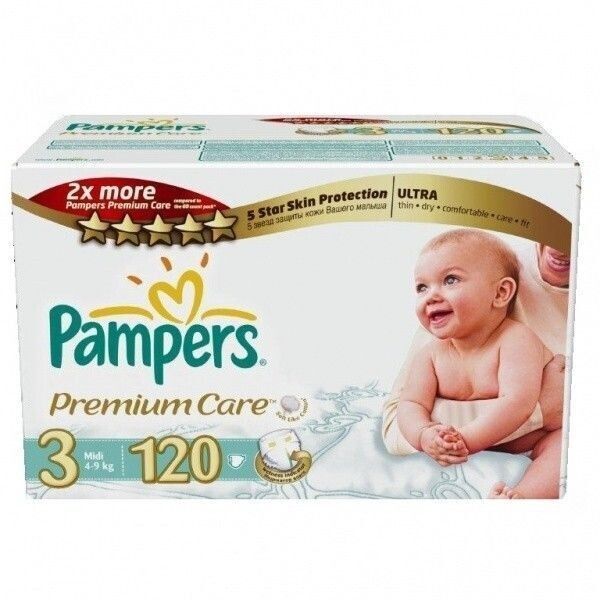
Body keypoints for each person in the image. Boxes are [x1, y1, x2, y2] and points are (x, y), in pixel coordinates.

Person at [383, 230, 571, 499]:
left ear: (501, 293)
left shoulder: (516, 340)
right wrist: (424, 434)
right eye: (422, 287)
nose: (431, 296)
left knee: (565, 444)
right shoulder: (430, 354)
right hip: (476, 442)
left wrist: (466, 440)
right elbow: (410, 404)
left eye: (450, 280)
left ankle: (521, 498)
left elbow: (517, 402)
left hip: (529, 439)